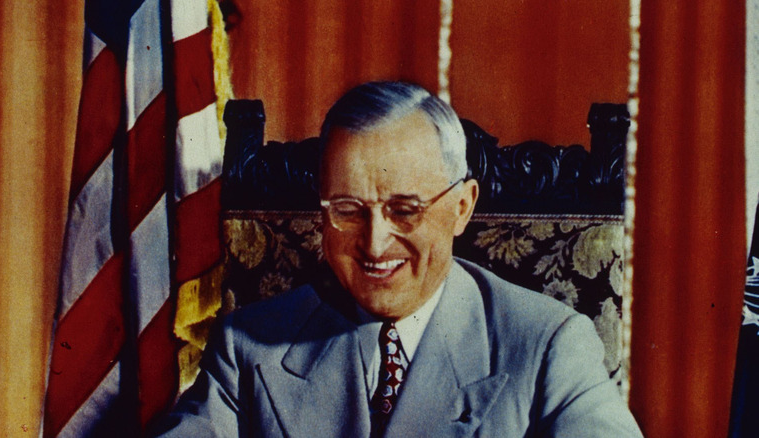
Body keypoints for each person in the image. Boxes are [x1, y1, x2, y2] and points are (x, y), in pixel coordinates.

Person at [152, 81, 643, 437]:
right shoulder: (249, 345)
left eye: (405, 210)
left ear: (461, 207)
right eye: (347, 210)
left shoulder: (547, 346)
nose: (375, 243)